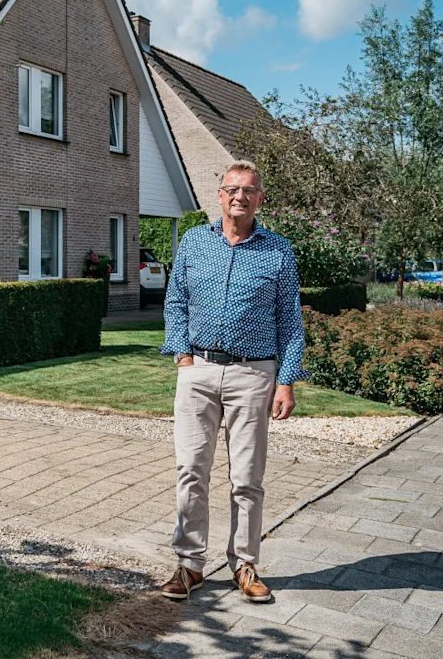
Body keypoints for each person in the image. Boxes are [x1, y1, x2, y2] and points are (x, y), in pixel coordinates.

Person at [158, 160, 305, 603]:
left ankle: (244, 564)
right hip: (198, 371)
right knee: (191, 470)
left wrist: (286, 380)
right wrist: (183, 357)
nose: (240, 196)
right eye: (233, 189)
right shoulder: (194, 242)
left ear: (260, 199)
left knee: (247, 478)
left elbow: (290, 321)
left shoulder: (278, 250)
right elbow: (175, 301)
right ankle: (190, 565)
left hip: (253, 374)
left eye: (249, 190)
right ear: (220, 195)